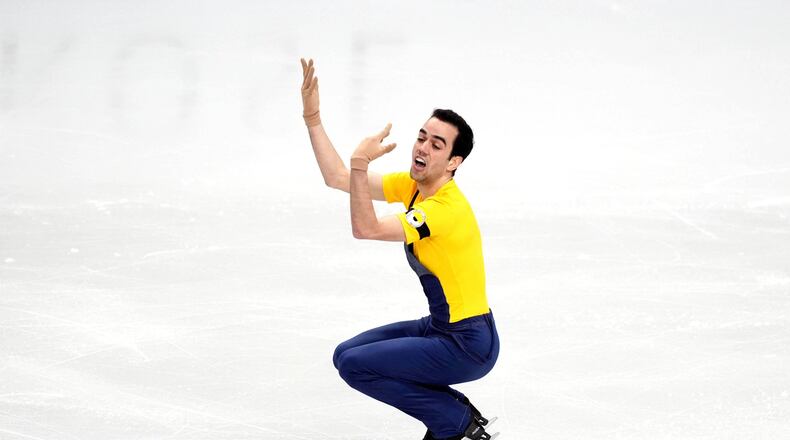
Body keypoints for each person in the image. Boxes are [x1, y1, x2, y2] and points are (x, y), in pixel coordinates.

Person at [300, 58, 500, 440]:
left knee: (359, 366)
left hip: (467, 342)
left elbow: (367, 228)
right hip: (442, 328)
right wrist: (313, 118)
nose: (422, 147)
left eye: (436, 144)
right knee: (346, 356)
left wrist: (361, 163)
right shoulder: (415, 186)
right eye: (422, 136)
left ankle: (457, 423)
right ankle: (453, 414)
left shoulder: (444, 209)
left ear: (454, 162)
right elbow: (338, 178)